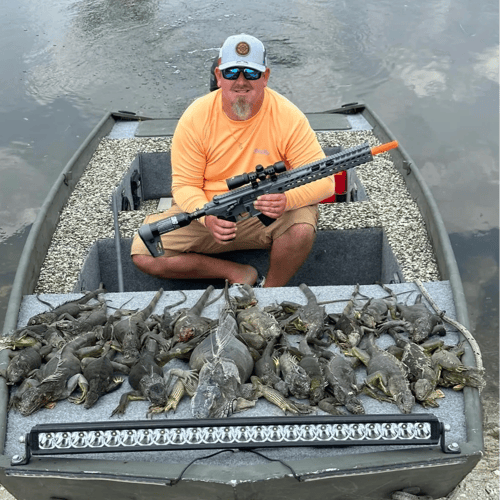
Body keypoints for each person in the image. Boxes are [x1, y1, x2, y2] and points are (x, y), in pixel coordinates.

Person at [131, 33, 335, 287]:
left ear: (266, 77)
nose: (241, 82)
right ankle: (238, 273)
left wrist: (286, 200)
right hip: (210, 213)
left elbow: (326, 182)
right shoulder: (195, 116)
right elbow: (184, 186)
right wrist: (206, 217)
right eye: (231, 73)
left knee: (302, 227)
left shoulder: (289, 116)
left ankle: (269, 292)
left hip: (265, 213)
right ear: (218, 77)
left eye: (251, 73)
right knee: (143, 252)